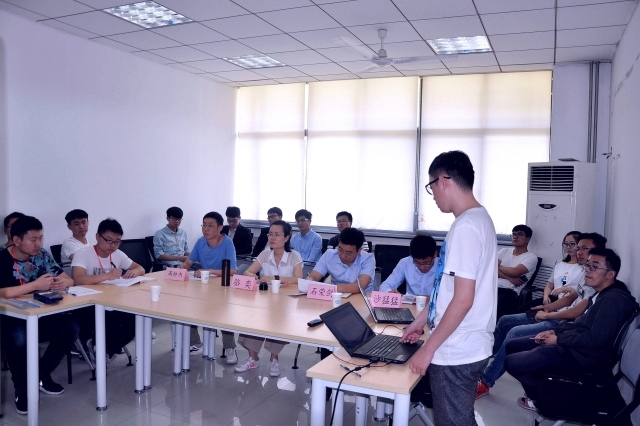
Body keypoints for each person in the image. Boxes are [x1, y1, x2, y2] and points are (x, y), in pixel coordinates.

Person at [400, 150, 497, 426]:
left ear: (443, 181)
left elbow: (463, 299)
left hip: (456, 349)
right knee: (460, 419)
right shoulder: (480, 218)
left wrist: (428, 349)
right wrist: (421, 320)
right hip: (467, 342)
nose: (433, 196)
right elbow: (446, 287)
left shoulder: (466, 227)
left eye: (431, 187)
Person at [504, 248, 639, 412]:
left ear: (610, 274)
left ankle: (547, 399)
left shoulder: (613, 301)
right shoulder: (601, 294)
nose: (587, 270)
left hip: (583, 358)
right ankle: (546, 392)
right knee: (513, 346)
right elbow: (581, 324)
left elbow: (595, 339)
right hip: (575, 346)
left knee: (512, 362)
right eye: (587, 265)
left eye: (594, 267)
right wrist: (555, 332)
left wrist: (558, 340)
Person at [475, 231, 602, 399]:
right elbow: (571, 297)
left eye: (583, 248)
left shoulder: (595, 280)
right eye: (577, 248)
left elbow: (576, 312)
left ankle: (485, 381)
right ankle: (477, 365)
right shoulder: (585, 274)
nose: (578, 252)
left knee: (515, 332)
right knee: (505, 320)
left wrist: (547, 315)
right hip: (557, 312)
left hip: (563, 324)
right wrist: (547, 308)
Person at [0, 216, 78, 414]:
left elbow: (69, 280)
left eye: (40, 238)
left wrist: (62, 283)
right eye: (33, 239)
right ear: (16, 240)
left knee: (70, 328)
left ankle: (41, 374)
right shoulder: (2, 258)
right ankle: (22, 388)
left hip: (41, 313)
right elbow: (4, 292)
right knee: (19, 338)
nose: (39, 244)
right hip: (11, 317)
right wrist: (35, 285)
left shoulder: (42, 255)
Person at [71, 218, 145, 367]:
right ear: (97, 237)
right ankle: (100, 348)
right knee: (112, 321)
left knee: (135, 321)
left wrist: (134, 272)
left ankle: (103, 349)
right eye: (109, 240)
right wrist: (106, 276)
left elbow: (140, 268)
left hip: (112, 301)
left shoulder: (117, 254)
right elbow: (77, 279)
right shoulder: (83, 253)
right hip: (87, 304)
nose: (113, 245)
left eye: (117, 242)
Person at [238, 220, 302, 377]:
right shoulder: (265, 254)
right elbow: (247, 272)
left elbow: (299, 279)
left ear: (286, 238)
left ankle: (274, 359)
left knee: (279, 322)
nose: (272, 238)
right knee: (253, 319)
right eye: (270, 234)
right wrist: (253, 276)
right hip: (264, 300)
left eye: (277, 234)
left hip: (286, 302)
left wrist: (275, 278)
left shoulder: (294, 256)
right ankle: (253, 358)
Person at [180, 212, 239, 363]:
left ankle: (230, 347)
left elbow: (233, 271)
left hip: (223, 287)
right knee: (188, 308)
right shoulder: (200, 242)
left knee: (223, 315)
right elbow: (188, 263)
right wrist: (179, 269)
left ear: (220, 228)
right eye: (204, 225)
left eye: (210, 226)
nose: (206, 229)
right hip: (203, 286)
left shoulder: (227, 243)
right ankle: (195, 344)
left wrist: (210, 271)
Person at [309, 227, 375, 294]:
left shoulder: (368, 259)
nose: (343, 255)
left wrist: (332, 288)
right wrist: (309, 281)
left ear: (359, 251)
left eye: (348, 253)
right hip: (335, 296)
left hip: (361, 297)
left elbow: (360, 286)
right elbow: (314, 277)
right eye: (340, 250)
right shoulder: (329, 255)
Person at [496, 225, 538, 319]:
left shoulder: (531, 257)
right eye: (514, 234)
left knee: (495, 307)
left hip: (509, 291)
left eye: (519, 234)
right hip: (492, 286)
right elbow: (490, 268)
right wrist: (509, 278)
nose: (515, 237)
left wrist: (498, 266)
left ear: (528, 239)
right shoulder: (504, 251)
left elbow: (514, 272)